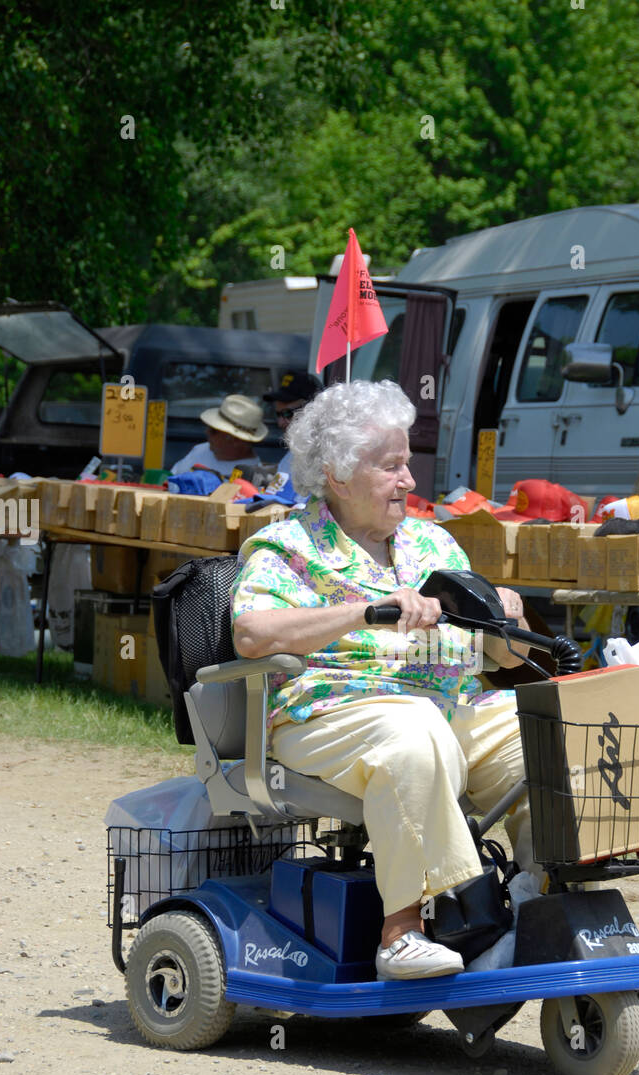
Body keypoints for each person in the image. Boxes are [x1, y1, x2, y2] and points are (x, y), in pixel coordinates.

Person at [231, 379, 541, 981]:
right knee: (413, 729)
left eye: (408, 463)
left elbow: (500, 659)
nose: (410, 481)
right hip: (328, 713)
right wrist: (363, 612)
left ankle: (539, 893)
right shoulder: (287, 545)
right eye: (391, 466)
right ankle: (406, 931)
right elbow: (253, 634)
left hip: (449, 707)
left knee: (545, 733)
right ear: (339, 476)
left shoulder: (433, 541)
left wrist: (510, 618)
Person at [170, 394, 267, 480]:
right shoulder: (201, 450)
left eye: (213, 430)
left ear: (236, 440)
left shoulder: (254, 478)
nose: (207, 432)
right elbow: (168, 481)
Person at [262, 370, 321, 489]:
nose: (280, 422)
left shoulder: (326, 457)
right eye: (278, 414)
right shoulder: (293, 453)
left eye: (288, 413)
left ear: (311, 409)